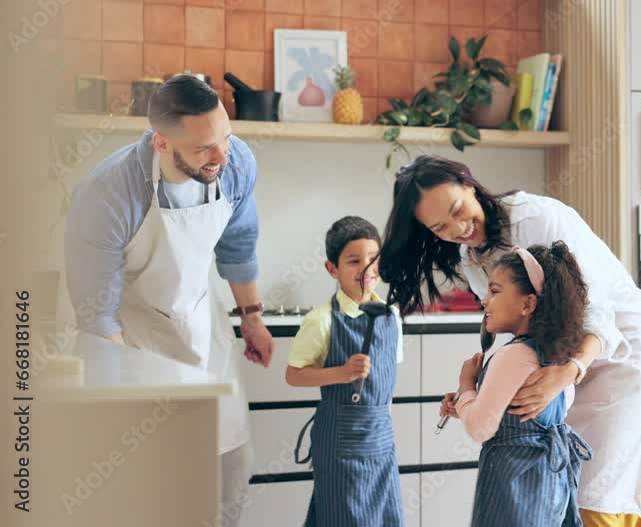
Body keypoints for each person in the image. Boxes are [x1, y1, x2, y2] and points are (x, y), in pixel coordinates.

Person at [379, 155, 641, 526]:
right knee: (567, 499)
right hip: (562, 374)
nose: (459, 228)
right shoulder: (473, 260)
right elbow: (520, 333)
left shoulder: (538, 218)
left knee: (599, 498)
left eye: (459, 210)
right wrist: (474, 391)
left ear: (469, 184)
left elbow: (597, 312)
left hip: (621, 358)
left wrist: (570, 370)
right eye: (441, 227)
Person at [64, 75, 274, 527]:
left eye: (225, 137)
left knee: (231, 475)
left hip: (205, 330)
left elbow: (237, 245)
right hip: (132, 341)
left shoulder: (235, 164)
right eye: (204, 149)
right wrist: (125, 397)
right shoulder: (108, 193)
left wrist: (252, 319)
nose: (221, 155)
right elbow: (96, 312)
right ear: (161, 142)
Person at [441, 242, 593, 526]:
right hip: (549, 483)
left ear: (528, 303)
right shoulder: (555, 357)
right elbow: (511, 413)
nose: (485, 301)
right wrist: (467, 402)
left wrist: (466, 385)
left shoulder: (512, 356)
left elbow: (480, 428)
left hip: (513, 487)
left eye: (495, 291)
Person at [287, 216, 404, 527]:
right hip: (341, 439)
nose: (366, 269)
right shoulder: (322, 319)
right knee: (345, 517)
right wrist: (341, 373)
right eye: (354, 261)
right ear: (332, 269)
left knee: (385, 518)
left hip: (381, 436)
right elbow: (294, 374)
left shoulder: (392, 316)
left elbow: (387, 382)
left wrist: (385, 423)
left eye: (372, 259)